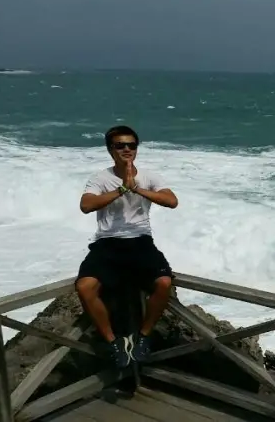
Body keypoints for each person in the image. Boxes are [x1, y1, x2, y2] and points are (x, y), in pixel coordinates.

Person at [76, 125, 179, 368]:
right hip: (107, 243)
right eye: (120, 145)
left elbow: (172, 201)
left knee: (163, 283)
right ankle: (114, 343)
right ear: (110, 149)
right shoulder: (100, 178)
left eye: (131, 145)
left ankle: (143, 336)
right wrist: (122, 188)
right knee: (85, 287)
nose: (126, 149)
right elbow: (86, 205)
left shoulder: (150, 177)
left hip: (141, 240)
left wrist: (137, 188)